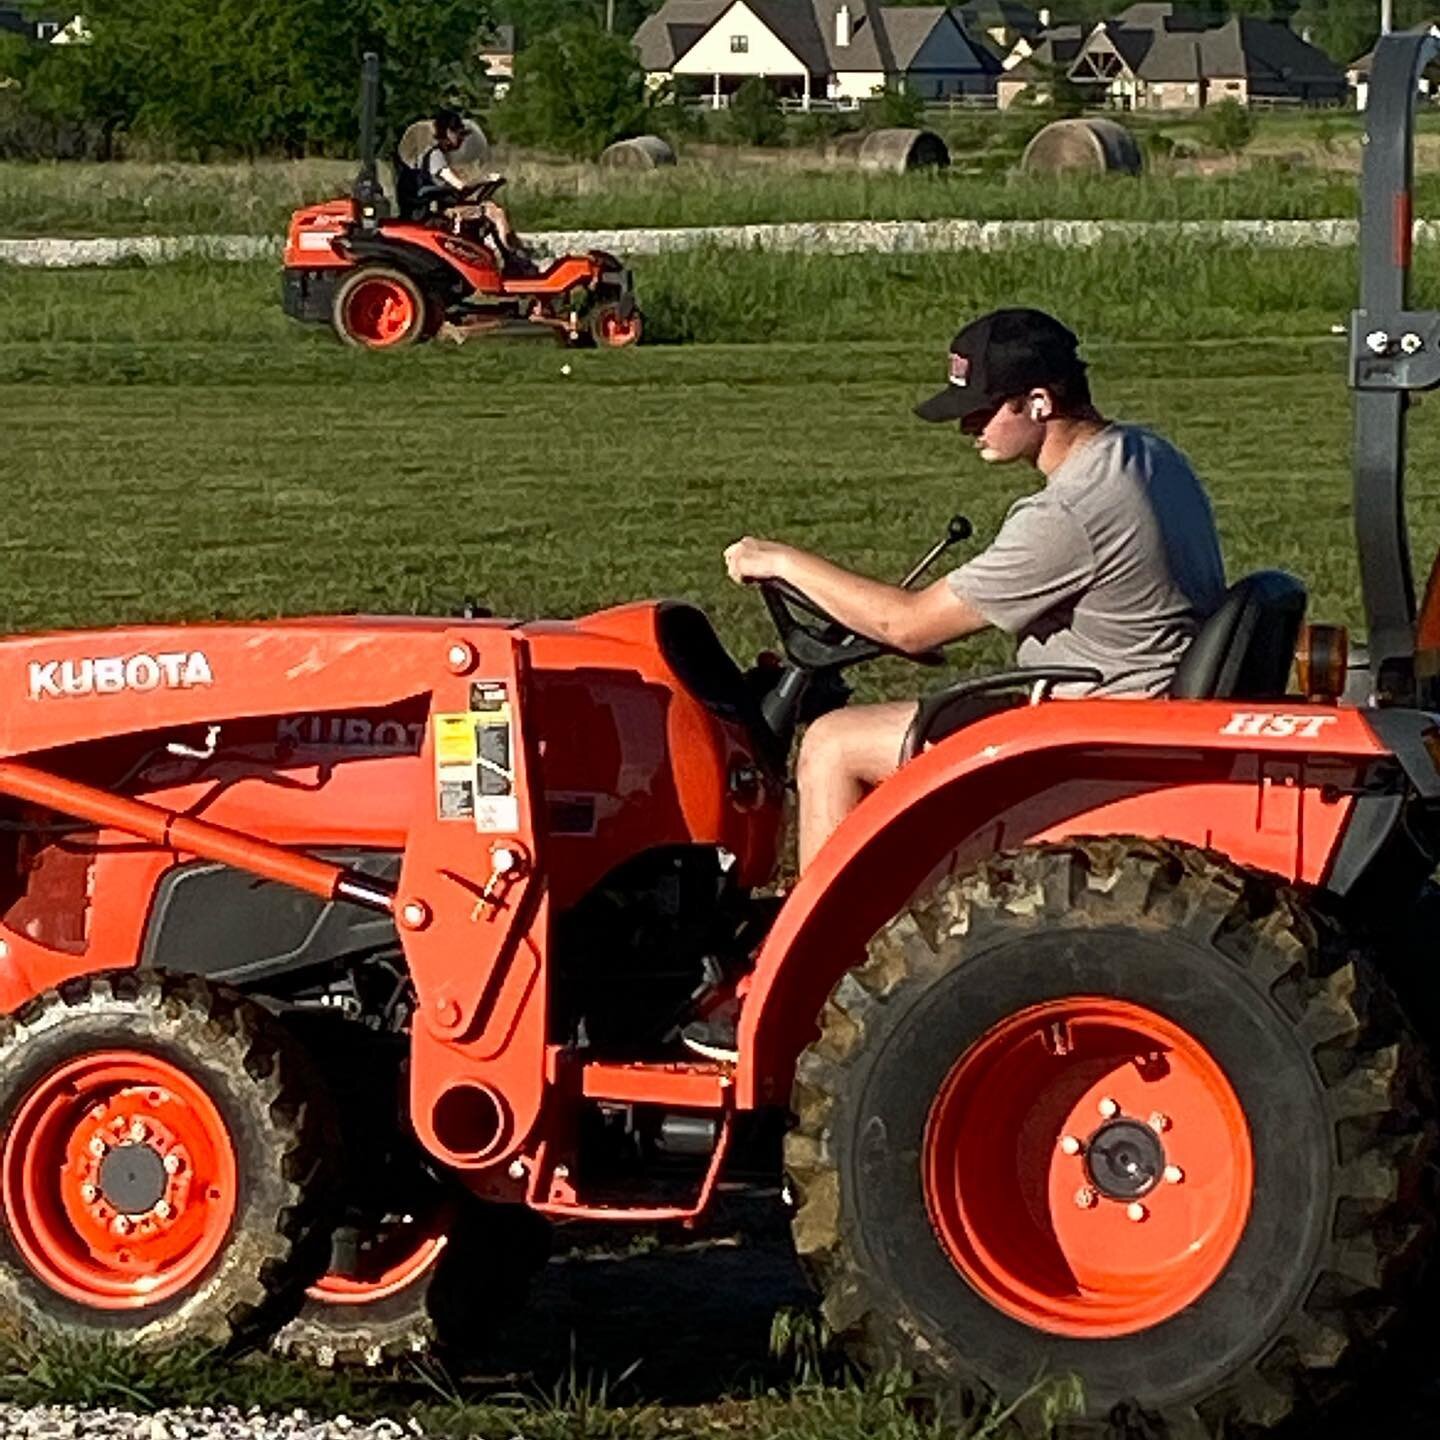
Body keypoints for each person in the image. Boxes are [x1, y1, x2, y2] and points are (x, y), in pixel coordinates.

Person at [681, 308, 1225, 1063]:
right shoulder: (1146, 455)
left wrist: (779, 560)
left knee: (835, 744)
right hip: (1134, 697)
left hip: (1086, 728)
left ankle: (814, 990)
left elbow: (908, 624)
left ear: (1038, 404)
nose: (966, 427)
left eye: (978, 411)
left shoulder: (1068, 514)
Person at [423, 108, 533, 270]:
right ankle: (512, 258)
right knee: (495, 213)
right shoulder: (436, 157)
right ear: (447, 133)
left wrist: (485, 184)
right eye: (459, 135)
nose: (461, 140)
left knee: (492, 208)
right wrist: (486, 179)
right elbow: (459, 186)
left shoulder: (440, 156)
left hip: (447, 206)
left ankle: (510, 255)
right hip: (442, 212)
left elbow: (461, 190)